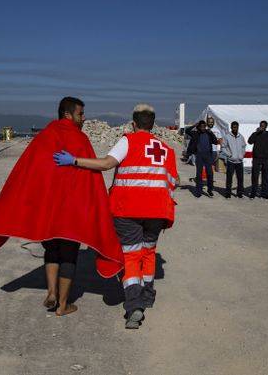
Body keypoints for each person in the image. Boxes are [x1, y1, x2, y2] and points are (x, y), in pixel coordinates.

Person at [0, 97, 124, 317]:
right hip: (71, 210)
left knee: (51, 250)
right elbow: (92, 178)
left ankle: (51, 292)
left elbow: (26, 173)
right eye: (80, 114)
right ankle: (63, 304)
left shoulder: (43, 137)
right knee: (69, 254)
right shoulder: (80, 139)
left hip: (48, 209)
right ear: (68, 115)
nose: (84, 118)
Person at [53, 104, 178, 330]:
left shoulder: (127, 141)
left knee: (130, 256)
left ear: (133, 124)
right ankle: (148, 296)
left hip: (127, 210)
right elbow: (173, 182)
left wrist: (74, 161)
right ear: (153, 125)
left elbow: (106, 164)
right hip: (158, 211)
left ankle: (134, 306)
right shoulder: (166, 149)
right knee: (148, 253)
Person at [186, 120, 218, 197]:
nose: (203, 128)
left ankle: (210, 190)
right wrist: (194, 124)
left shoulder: (208, 133)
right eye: (201, 126)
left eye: (204, 126)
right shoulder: (196, 133)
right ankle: (198, 191)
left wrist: (211, 133)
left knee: (210, 174)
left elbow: (215, 141)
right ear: (199, 127)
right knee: (199, 174)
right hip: (199, 156)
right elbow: (187, 130)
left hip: (208, 156)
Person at [248, 120, 268, 199]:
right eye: (260, 125)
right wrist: (256, 133)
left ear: (266, 126)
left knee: (265, 176)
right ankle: (253, 193)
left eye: (263, 125)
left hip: (266, 158)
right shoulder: (256, 134)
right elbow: (250, 141)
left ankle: (264, 193)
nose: (261, 127)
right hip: (257, 158)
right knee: (255, 176)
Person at [221, 121, 246, 198]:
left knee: (240, 179)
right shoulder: (227, 136)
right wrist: (229, 155)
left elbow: (243, 146)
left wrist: (242, 155)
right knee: (229, 178)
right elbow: (223, 147)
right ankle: (228, 193)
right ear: (231, 127)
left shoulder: (241, 137)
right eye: (234, 127)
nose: (235, 128)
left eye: (236, 127)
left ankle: (239, 193)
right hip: (231, 161)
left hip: (239, 161)